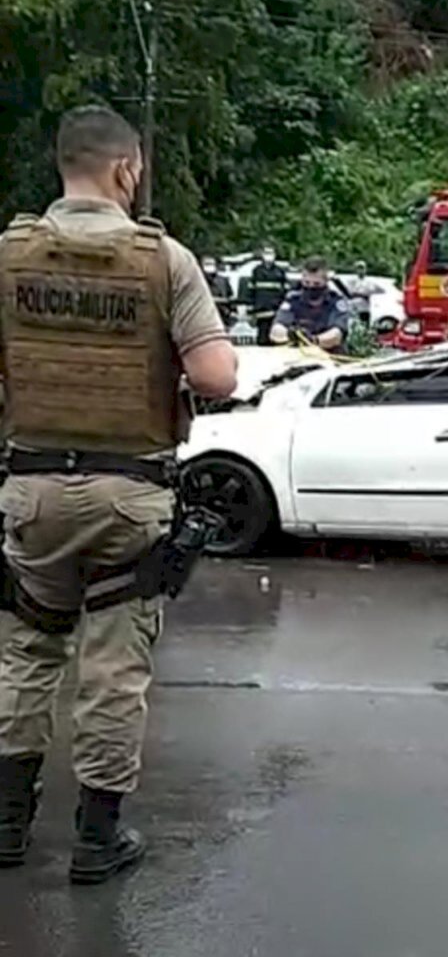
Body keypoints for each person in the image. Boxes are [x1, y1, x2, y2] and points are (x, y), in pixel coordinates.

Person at [0, 105, 238, 884]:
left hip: (31, 491)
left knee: (26, 653)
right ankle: (98, 841)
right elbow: (216, 378)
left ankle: (5, 826)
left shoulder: (8, 257)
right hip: (130, 496)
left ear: (62, 165)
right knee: (113, 668)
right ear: (126, 170)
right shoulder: (163, 259)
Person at [269, 256, 351, 353]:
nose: (311, 287)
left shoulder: (336, 302)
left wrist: (313, 340)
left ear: (326, 281)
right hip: (297, 356)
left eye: (316, 284)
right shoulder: (293, 300)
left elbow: (337, 335)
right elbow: (275, 331)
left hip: (329, 356)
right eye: (307, 283)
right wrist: (290, 335)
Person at [242, 245, 288, 345]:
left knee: (276, 340)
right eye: (266, 253)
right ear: (262, 254)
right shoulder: (257, 271)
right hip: (260, 311)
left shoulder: (280, 272)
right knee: (262, 339)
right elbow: (251, 291)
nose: (269, 256)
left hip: (275, 311)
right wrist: (250, 308)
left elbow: (285, 292)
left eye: (271, 253)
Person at [201, 254, 233, 325]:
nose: (209, 266)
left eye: (211, 264)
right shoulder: (198, 280)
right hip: (204, 315)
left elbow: (230, 296)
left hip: (221, 314)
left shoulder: (223, 281)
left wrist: (229, 310)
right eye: (207, 264)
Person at [350, 260, 382, 326]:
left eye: (362, 268)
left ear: (365, 269)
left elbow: (378, 291)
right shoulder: (351, 281)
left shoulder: (370, 282)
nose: (360, 270)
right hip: (354, 309)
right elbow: (349, 293)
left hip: (364, 309)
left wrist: (366, 295)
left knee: (364, 327)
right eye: (358, 268)